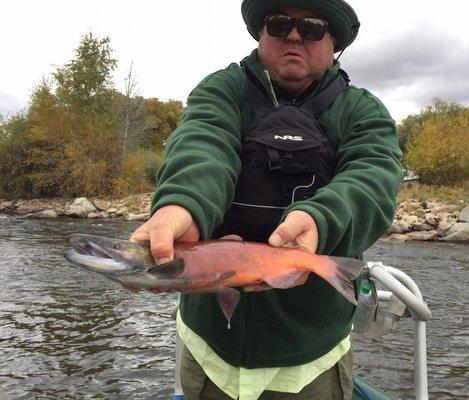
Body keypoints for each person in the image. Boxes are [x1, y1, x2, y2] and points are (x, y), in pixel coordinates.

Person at [131, 0, 403, 399]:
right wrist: (181, 205)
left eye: (311, 27)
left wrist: (319, 220)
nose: (294, 35)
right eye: (278, 24)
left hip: (311, 359)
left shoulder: (363, 111)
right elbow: (203, 146)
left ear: (333, 44)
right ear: (261, 34)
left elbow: (373, 179)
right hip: (209, 351)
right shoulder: (221, 90)